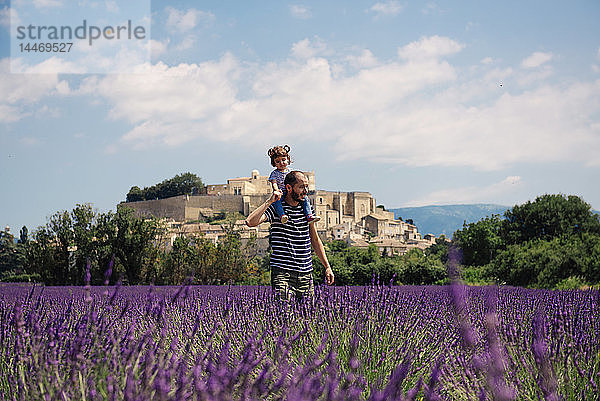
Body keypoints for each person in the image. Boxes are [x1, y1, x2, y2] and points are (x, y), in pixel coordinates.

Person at [246, 170, 334, 299]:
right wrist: (269, 202)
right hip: (282, 273)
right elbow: (250, 222)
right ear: (289, 187)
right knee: (284, 315)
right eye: (301, 187)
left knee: (307, 316)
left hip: (306, 274)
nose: (306, 191)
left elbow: (314, 240)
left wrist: (327, 266)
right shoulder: (276, 209)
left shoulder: (307, 210)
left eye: (306, 186)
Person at [267, 145, 319, 225]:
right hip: (281, 192)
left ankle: (309, 215)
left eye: (283, 160)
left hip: (291, 192)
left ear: (288, 160)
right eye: (278, 161)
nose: (281, 163)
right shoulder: (274, 173)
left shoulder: (291, 171)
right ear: (274, 163)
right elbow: (274, 183)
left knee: (305, 199)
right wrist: (276, 190)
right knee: (277, 202)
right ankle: (282, 216)